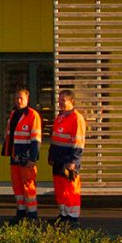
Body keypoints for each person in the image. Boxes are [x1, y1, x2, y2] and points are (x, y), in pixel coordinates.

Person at [3, 87, 41, 222]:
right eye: (16, 98)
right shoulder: (14, 114)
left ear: (27, 99)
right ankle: (21, 212)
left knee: (28, 186)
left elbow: (36, 139)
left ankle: (32, 215)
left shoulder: (32, 115)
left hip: (26, 156)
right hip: (15, 155)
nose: (19, 101)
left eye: (21, 98)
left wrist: (33, 157)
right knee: (17, 186)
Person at [48, 89, 86, 227]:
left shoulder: (76, 118)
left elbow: (78, 142)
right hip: (58, 159)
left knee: (71, 190)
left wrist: (73, 162)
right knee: (60, 189)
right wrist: (51, 156)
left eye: (63, 100)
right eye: (59, 99)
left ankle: (73, 218)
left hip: (68, 160)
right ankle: (63, 215)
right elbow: (55, 139)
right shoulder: (60, 117)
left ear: (71, 101)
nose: (60, 102)